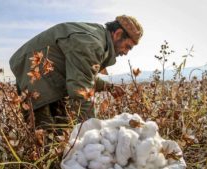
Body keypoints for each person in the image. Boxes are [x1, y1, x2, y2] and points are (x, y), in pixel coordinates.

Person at [9, 15, 143, 129]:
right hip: (37, 78)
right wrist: (93, 135)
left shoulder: (98, 39)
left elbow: (82, 74)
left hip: (48, 77)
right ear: (118, 34)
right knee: (46, 135)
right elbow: (81, 89)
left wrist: (109, 86)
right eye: (127, 47)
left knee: (61, 132)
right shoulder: (92, 43)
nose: (125, 52)